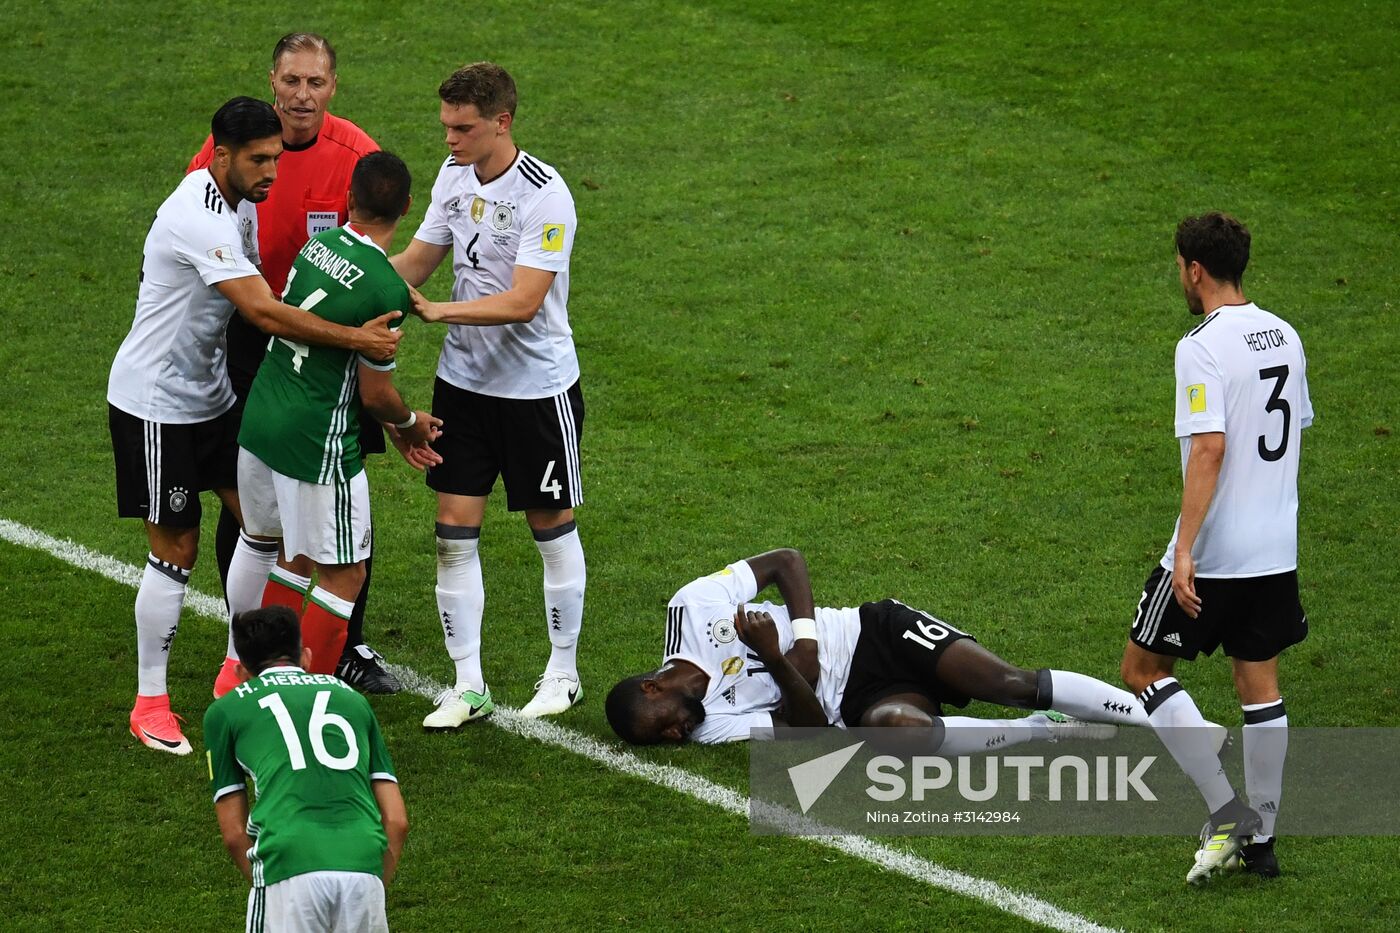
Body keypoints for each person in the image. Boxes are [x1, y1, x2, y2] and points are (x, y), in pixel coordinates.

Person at [108, 96, 400, 755]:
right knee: (176, 547)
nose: (273, 170)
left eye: (276, 156)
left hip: (209, 393)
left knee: (256, 527)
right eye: (260, 159)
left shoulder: (238, 201)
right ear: (221, 156)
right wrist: (354, 333)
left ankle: (236, 669)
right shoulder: (195, 215)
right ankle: (150, 701)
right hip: (157, 403)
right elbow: (263, 312)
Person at [189, 33, 403, 695]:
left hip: (319, 339)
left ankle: (335, 650)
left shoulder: (354, 154)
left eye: (314, 83)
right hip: (263, 332)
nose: (302, 96)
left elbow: (367, 259)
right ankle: (264, 653)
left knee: (306, 517)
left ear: (331, 87)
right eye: (291, 82)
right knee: (286, 523)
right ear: (272, 81)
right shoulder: (230, 147)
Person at [1120, 212, 1312, 884]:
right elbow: (1291, 431)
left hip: (1218, 551)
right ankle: (1263, 843)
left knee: (1143, 668)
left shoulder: (1199, 345)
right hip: (1275, 547)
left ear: (1194, 269)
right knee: (1258, 684)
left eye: (1178, 265)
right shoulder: (1285, 335)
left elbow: (1209, 448)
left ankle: (1227, 808)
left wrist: (1185, 548)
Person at [391, 62, 586, 725]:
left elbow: (527, 300)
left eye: (463, 128)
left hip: (535, 391)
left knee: (548, 526)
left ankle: (563, 672)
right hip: (464, 388)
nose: (449, 139)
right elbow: (417, 261)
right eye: (445, 126)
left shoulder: (545, 195)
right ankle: (468, 684)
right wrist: (354, 282)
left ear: (501, 123)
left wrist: (440, 313)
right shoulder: (453, 175)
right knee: (452, 533)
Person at [234, 151, 442, 684]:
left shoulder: (318, 244)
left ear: (348, 198)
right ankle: (309, 699)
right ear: (408, 209)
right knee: (345, 573)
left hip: (263, 417)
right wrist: (410, 422)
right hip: (316, 438)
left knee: (291, 556)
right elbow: (376, 396)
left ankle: (244, 680)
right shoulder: (385, 290)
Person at [605, 548, 1150, 748]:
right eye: (668, 740)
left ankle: (1162, 722)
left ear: (652, 687)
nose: (678, 734)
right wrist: (774, 659)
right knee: (895, 730)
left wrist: (806, 642)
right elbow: (813, 733)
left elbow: (786, 562)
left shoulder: (691, 608)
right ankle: (1043, 733)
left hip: (874, 633)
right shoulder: (711, 726)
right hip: (854, 704)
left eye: (664, 725)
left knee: (1011, 685)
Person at [205, 606, 408, 933]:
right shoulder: (355, 702)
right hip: (363, 862)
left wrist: (271, 882)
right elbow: (397, 821)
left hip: (288, 860)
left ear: (241, 672)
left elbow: (233, 834)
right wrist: (370, 879)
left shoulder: (225, 712)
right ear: (307, 657)